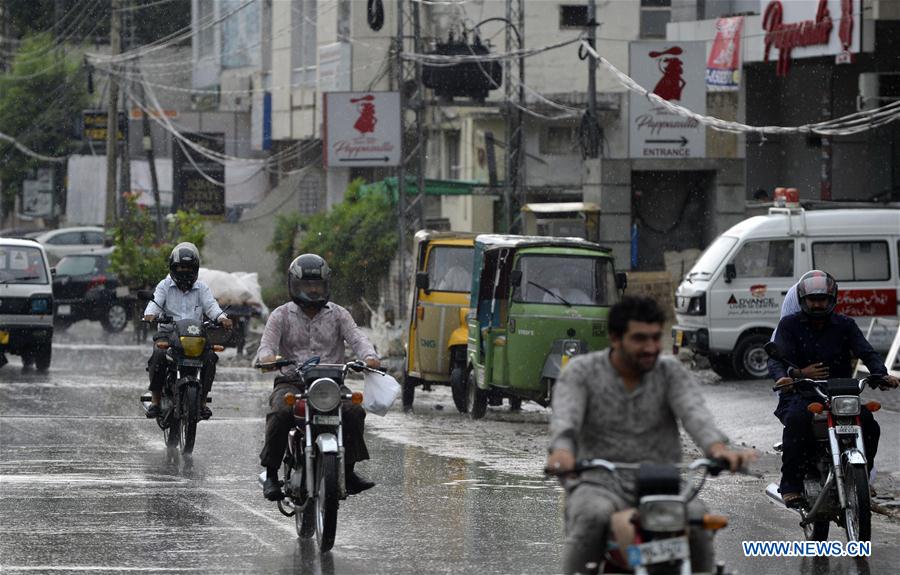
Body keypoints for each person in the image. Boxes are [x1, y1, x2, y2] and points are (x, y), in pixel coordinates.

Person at [546, 296, 756, 575]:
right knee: (591, 518)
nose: (651, 347)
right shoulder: (581, 372)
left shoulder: (670, 371)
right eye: (640, 339)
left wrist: (717, 449)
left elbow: (695, 413)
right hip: (598, 484)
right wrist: (562, 453)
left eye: (656, 338)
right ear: (615, 338)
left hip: (664, 484)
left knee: (697, 520)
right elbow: (565, 419)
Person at [768, 270, 899, 508]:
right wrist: (792, 375)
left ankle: (861, 478)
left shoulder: (845, 325)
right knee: (798, 421)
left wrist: (881, 374)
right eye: (812, 299)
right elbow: (776, 360)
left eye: (822, 299)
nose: (817, 304)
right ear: (803, 300)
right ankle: (791, 485)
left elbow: (867, 352)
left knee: (870, 425)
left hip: (841, 394)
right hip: (802, 392)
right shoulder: (790, 325)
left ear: (832, 299)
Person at [257, 253, 381, 501]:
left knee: (355, 411)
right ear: (294, 285)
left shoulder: (339, 314)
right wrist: (269, 359)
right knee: (281, 412)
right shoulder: (280, 315)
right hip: (292, 382)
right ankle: (271, 473)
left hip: (331, 383)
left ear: (326, 285)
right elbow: (265, 349)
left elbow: (358, 340)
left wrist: (369, 358)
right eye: (307, 285)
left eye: (317, 284)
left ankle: (348, 470)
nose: (313, 290)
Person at [144, 242, 233, 420]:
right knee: (158, 355)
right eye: (180, 267)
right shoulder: (164, 285)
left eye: (188, 267)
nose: (184, 271)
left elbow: (211, 306)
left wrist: (222, 318)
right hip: (169, 333)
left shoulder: (202, 287)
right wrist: (150, 315)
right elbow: (154, 304)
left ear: (195, 269)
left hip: (195, 334)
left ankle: (201, 402)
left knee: (210, 357)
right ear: (173, 268)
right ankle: (155, 400)